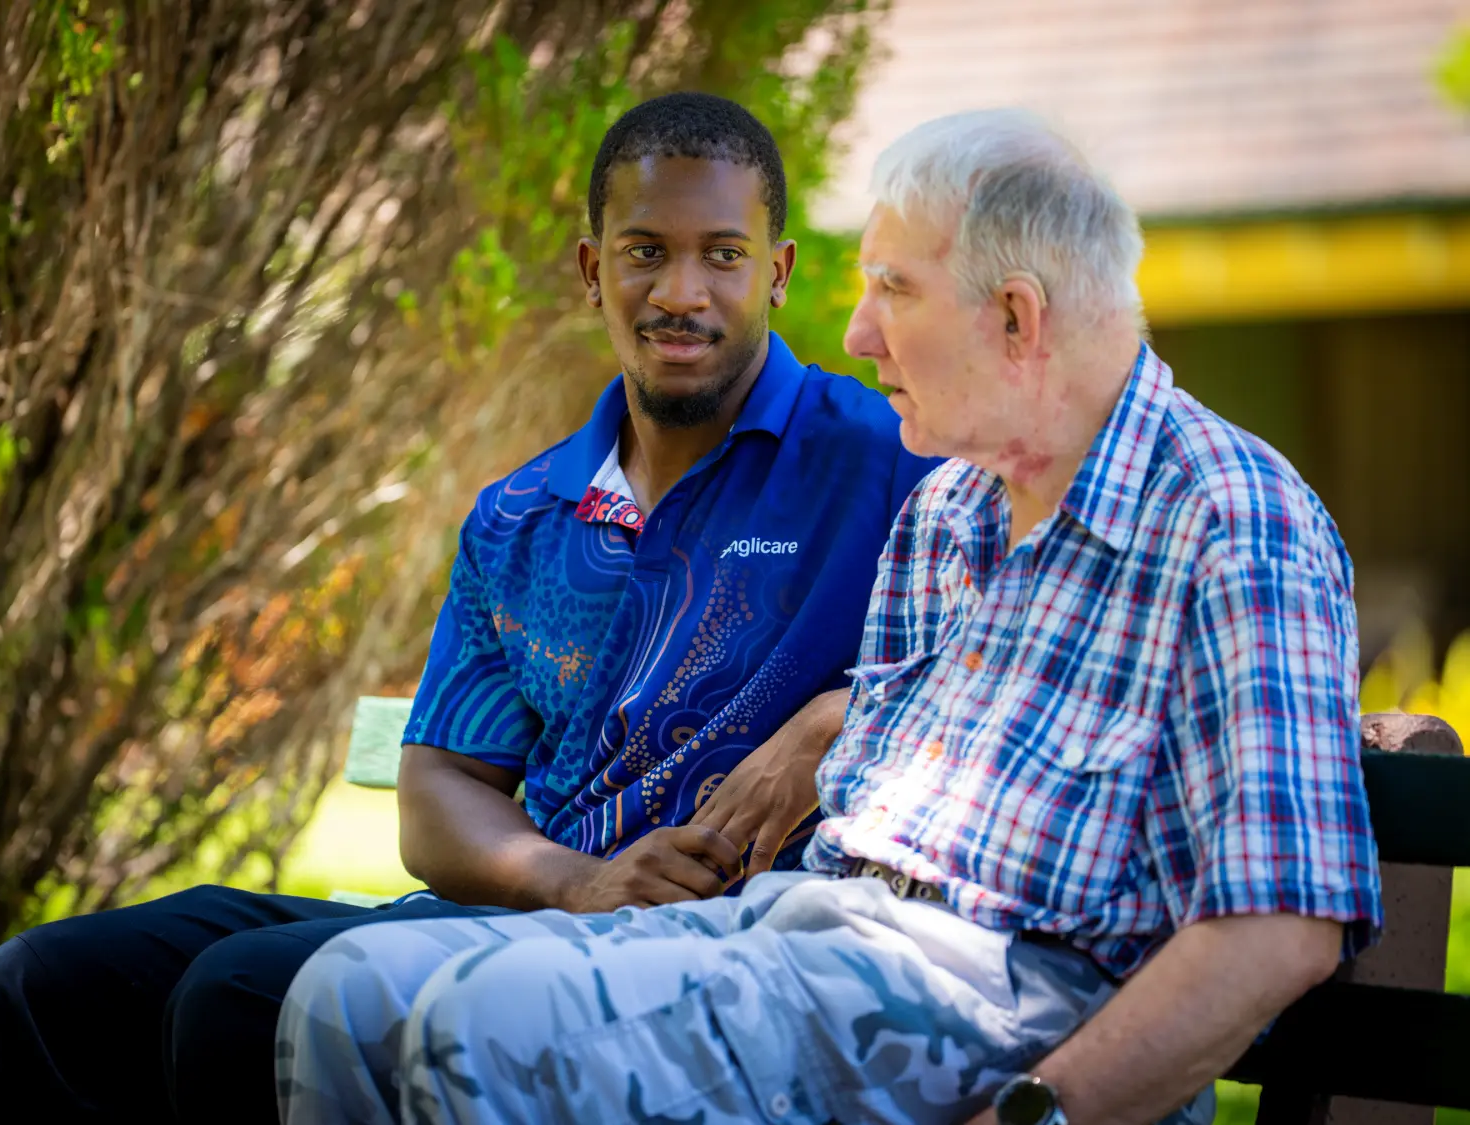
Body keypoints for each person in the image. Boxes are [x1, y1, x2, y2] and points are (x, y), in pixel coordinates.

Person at [276, 108, 1382, 1125]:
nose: (855, 335)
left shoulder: (1231, 519)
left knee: (474, 1027)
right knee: (345, 997)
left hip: (1000, 997)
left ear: (1014, 316)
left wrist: (1036, 1118)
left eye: (893, 290)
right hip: (811, 930)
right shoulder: (950, 512)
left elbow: (1278, 929)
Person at [0, 93, 937, 1125]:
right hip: (535, 915)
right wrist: (575, 882)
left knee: (242, 999)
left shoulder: (886, 461)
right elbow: (439, 789)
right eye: (645, 252)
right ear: (592, 270)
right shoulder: (523, 512)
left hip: (711, 948)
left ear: (777, 273)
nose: (680, 292)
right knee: (36, 986)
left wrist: (833, 717)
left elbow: (1013, 652)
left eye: (724, 256)